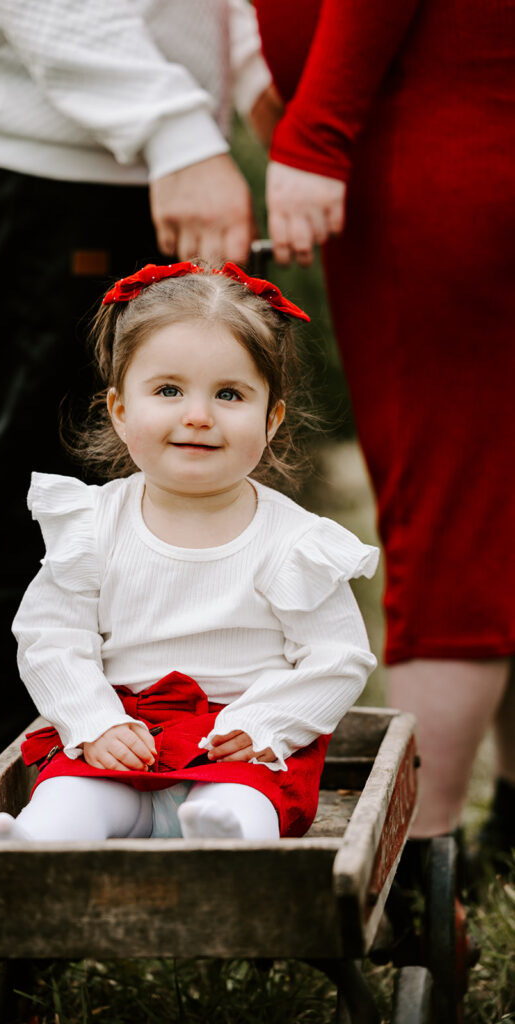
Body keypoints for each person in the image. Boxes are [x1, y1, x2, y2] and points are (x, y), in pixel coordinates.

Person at [0, 0, 281, 790]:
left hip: (137, 162)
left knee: (157, 505)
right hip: (39, 170)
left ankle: (134, 786)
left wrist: (254, 79)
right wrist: (175, 129)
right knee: (34, 500)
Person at [0, 261, 378, 843]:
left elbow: (338, 658)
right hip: (123, 740)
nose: (198, 414)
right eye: (168, 390)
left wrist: (264, 724)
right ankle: (38, 844)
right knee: (71, 794)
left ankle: (223, 836)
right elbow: (50, 638)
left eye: (229, 394)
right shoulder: (94, 525)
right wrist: (94, 722)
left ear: (271, 419)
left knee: (244, 801)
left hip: (238, 749)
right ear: (119, 410)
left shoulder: (292, 542)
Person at [254, 0, 515, 869]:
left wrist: (313, 135)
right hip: (457, 123)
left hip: (431, 145)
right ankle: (504, 825)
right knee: (490, 507)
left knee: (444, 515)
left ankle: (418, 856)